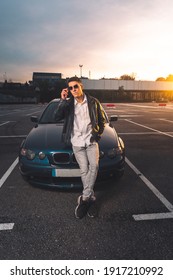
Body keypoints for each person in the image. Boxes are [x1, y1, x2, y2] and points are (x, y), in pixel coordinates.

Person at [55, 76, 106, 219]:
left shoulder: (93, 102)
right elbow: (57, 116)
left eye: (75, 86)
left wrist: (97, 135)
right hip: (77, 143)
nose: (73, 90)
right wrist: (62, 100)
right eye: (70, 88)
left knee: (94, 167)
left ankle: (84, 199)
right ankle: (90, 198)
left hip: (90, 141)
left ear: (81, 86)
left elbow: (101, 121)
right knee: (84, 170)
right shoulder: (69, 104)